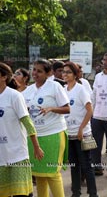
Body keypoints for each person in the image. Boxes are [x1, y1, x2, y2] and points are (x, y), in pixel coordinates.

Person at [23, 59, 70, 197]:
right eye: (34, 70)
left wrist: (51, 108)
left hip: (53, 134)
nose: (35, 73)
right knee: (39, 175)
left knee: (52, 173)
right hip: (34, 137)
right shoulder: (28, 90)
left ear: (48, 73)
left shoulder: (55, 87)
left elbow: (67, 108)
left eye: (39, 71)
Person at [0, 62, 44, 197]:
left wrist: (36, 146)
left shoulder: (14, 96)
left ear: (3, 77)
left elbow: (27, 122)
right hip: (1, 156)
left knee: (21, 193)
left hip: (17, 154)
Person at [63, 62, 98, 197]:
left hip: (83, 134)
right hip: (69, 134)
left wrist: (81, 129)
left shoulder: (81, 89)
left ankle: (93, 193)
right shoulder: (63, 90)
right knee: (74, 166)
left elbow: (90, 111)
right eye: (64, 72)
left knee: (86, 166)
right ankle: (75, 193)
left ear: (76, 74)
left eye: (68, 72)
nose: (65, 74)